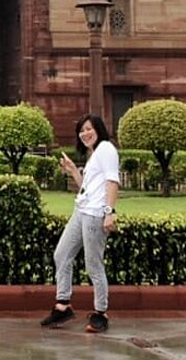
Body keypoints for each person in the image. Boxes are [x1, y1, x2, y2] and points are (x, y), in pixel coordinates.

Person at [40, 114, 119, 334]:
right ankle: (63, 305)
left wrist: (109, 212)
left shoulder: (106, 149)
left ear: (99, 129)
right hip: (81, 210)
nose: (85, 134)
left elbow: (113, 181)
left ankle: (100, 313)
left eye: (88, 129)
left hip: (95, 214)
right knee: (62, 254)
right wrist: (74, 170)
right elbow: (88, 188)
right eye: (81, 130)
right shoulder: (95, 153)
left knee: (93, 263)